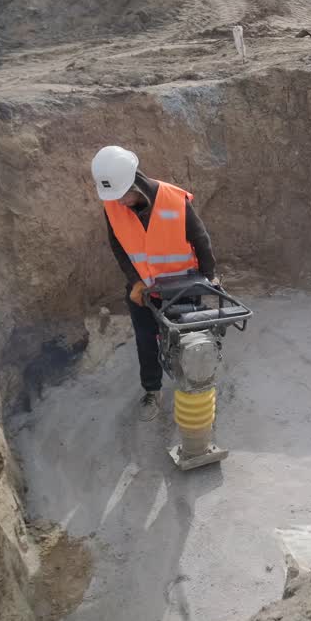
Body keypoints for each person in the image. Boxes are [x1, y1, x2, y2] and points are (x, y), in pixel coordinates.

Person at [92, 145, 217, 421]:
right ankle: (153, 391)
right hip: (144, 290)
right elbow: (118, 247)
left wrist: (209, 276)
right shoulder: (112, 204)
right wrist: (135, 281)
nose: (119, 202)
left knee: (188, 341)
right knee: (146, 341)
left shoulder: (174, 199)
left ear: (134, 181)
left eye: (123, 196)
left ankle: (195, 386)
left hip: (181, 286)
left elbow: (200, 238)